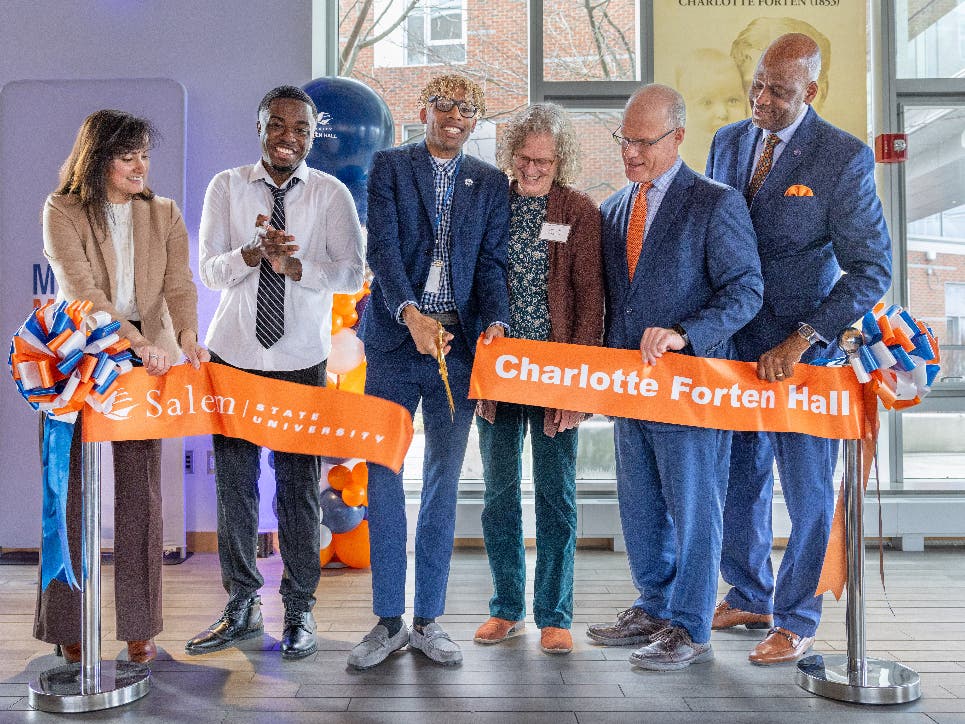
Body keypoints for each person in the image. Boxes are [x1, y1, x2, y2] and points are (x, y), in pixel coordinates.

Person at [706, 33, 892, 665]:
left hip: (805, 355)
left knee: (808, 491)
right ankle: (750, 592)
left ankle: (797, 616)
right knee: (740, 478)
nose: (760, 99)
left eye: (778, 92)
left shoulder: (843, 159)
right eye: (756, 84)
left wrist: (803, 338)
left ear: (810, 91)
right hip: (734, 347)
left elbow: (871, 271)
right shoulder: (726, 143)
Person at [587, 84, 763, 671]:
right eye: (624, 141)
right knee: (638, 506)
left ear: (678, 136)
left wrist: (686, 332)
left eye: (643, 142)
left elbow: (747, 291)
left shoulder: (715, 202)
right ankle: (654, 604)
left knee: (694, 509)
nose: (630, 154)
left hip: (692, 389)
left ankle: (690, 626)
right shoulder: (614, 209)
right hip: (630, 392)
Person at [187, 85, 364, 660]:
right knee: (235, 484)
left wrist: (294, 264)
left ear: (313, 136)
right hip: (234, 355)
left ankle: (299, 609)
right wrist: (251, 254)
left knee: (296, 488)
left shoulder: (331, 195)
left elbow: (350, 274)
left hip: (300, 362)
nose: (289, 137)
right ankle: (240, 605)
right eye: (278, 126)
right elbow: (209, 272)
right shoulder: (226, 187)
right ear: (259, 127)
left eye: (301, 129)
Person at [349, 74, 509, 670]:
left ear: (475, 120)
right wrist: (409, 314)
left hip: (458, 349)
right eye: (443, 107)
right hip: (394, 342)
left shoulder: (491, 184)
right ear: (424, 111)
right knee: (384, 475)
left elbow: (492, 264)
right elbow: (382, 250)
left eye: (466, 110)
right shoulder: (390, 166)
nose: (453, 118)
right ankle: (387, 621)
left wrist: (494, 320)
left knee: (444, 483)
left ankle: (428, 621)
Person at [37, 109, 208, 664]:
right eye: (128, 154)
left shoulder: (164, 213)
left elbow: (180, 285)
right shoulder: (62, 208)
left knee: (141, 495)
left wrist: (187, 337)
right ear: (98, 158)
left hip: (147, 361)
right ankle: (69, 624)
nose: (141, 165)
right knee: (68, 494)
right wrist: (137, 342)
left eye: (145, 155)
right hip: (76, 358)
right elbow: (81, 291)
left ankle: (141, 626)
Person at [472, 103, 603, 656]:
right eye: (524, 159)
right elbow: (475, 281)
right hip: (499, 376)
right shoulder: (491, 202)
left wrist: (577, 392)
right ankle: (507, 608)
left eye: (544, 162)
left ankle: (554, 612)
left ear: (560, 160)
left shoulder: (578, 210)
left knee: (556, 497)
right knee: (499, 495)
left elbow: (591, 301)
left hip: (555, 377)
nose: (532, 170)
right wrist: (479, 376)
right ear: (511, 155)